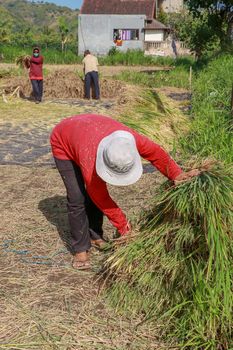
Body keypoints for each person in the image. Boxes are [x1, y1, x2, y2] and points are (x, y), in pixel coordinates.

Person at [50, 114, 199, 269]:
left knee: (93, 191)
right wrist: (124, 228)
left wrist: (176, 174)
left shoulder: (131, 141)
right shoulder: (90, 159)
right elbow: (101, 197)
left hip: (90, 130)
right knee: (77, 198)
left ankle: (95, 235)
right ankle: (80, 249)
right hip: (64, 139)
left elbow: (156, 153)